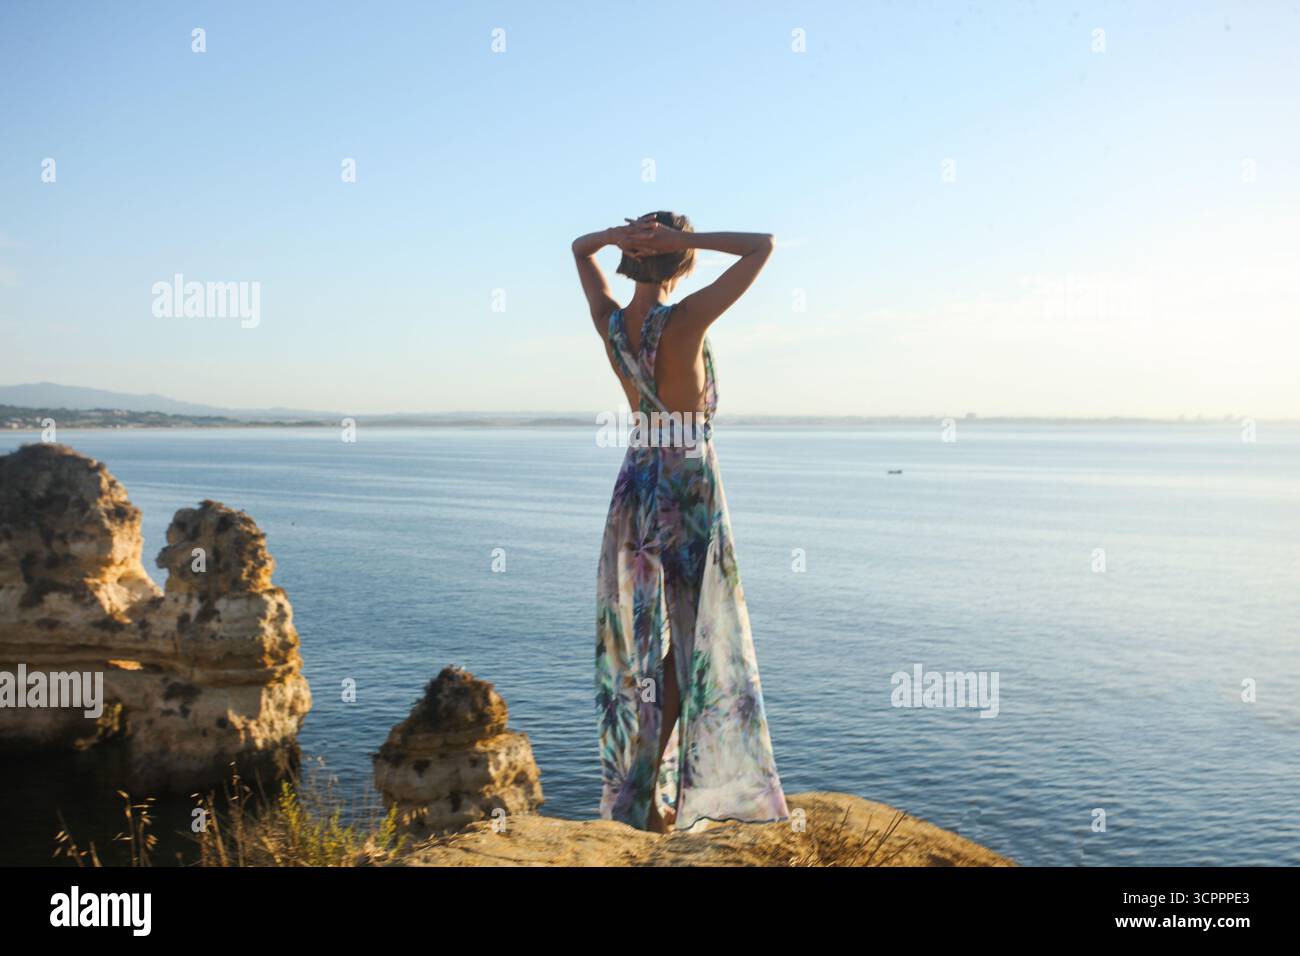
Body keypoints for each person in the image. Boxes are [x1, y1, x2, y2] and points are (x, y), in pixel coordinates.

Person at [572, 211, 791, 833]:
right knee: (698, 638)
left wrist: (617, 239)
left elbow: (578, 249)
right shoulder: (686, 320)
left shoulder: (611, 323)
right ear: (678, 260)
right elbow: (762, 245)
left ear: (629, 259)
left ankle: (642, 793)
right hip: (687, 480)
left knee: (640, 642)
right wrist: (683, 240)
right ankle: (681, 794)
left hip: (637, 478)